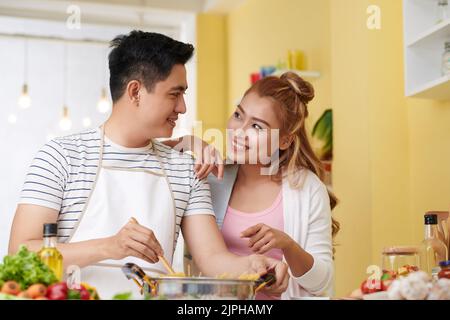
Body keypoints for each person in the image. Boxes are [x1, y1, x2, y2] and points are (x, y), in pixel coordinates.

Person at [8, 30, 289, 299]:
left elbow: (214, 258)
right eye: (174, 94)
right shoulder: (60, 157)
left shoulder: (186, 170)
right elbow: (20, 253)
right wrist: (109, 247)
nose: (183, 108)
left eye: (183, 95)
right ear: (135, 92)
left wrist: (255, 266)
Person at [169, 72, 339, 299]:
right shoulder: (211, 178)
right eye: (238, 115)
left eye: (257, 127)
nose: (239, 131)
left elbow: (322, 282)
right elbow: (150, 157)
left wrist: (288, 245)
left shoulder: (307, 189)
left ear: (285, 140)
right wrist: (190, 142)